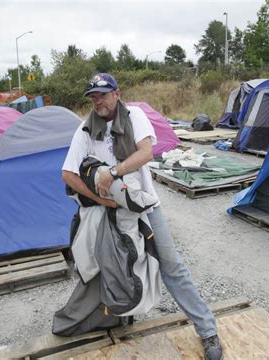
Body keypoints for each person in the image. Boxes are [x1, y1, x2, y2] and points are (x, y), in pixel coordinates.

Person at [61, 73, 223, 360]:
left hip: (145, 208)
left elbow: (145, 153)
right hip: (111, 213)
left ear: (117, 93)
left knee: (172, 267)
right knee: (111, 266)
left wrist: (111, 172)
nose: (97, 100)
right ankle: (118, 316)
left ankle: (208, 331)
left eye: (102, 94)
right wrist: (100, 200)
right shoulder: (85, 129)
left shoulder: (134, 115)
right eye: (93, 96)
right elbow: (67, 174)